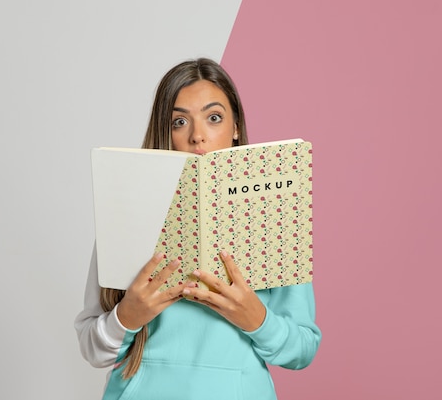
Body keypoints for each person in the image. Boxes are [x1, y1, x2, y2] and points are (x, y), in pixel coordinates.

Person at [75, 58, 321, 400]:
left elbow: (303, 349)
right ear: (166, 131)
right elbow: (92, 348)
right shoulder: (127, 211)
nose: (197, 136)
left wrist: (255, 318)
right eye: (179, 121)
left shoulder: (272, 211)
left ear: (235, 126)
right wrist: (128, 316)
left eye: (214, 117)